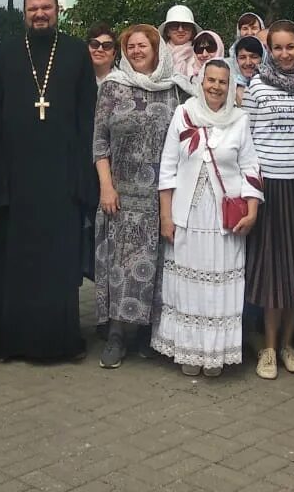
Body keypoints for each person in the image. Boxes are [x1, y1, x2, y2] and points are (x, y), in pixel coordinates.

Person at [0, 0, 97, 360]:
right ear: (25, 13)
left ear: (57, 10)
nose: (40, 14)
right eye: (33, 9)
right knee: (16, 264)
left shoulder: (76, 52)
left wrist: (83, 178)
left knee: (57, 264)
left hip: (61, 179)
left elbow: (87, 120)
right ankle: (14, 340)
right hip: (16, 178)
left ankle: (58, 341)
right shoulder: (8, 53)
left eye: (46, 7)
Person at [153, 59, 263, 376]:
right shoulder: (184, 114)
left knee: (219, 282)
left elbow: (250, 168)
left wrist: (252, 210)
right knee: (189, 283)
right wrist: (166, 216)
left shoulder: (239, 120)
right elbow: (168, 168)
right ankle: (189, 348)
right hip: (187, 214)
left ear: (230, 86)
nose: (215, 87)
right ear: (201, 82)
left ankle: (215, 352)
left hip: (223, 219)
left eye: (222, 82)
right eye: (210, 80)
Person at [93, 25, 188, 368]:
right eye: (130, 46)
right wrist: (106, 185)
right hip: (120, 195)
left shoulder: (176, 90)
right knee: (121, 267)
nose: (135, 50)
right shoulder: (113, 87)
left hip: (161, 196)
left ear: (157, 48)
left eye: (142, 45)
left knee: (158, 267)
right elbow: (99, 141)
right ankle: (118, 336)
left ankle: (150, 335)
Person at [242, 19, 294, 380]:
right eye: (278, 47)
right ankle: (267, 348)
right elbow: (248, 140)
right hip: (269, 186)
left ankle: (287, 344)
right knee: (271, 268)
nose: (285, 53)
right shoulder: (257, 87)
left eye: (291, 46)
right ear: (270, 49)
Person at [159, 4, 200, 80]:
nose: (180, 30)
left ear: (192, 31)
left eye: (186, 26)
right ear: (167, 31)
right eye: (174, 26)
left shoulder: (201, 54)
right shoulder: (158, 54)